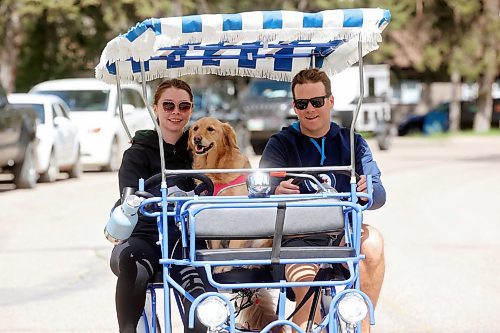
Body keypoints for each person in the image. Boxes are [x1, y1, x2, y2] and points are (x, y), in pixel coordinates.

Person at [260, 68, 386, 332]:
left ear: (330, 101)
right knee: (309, 306)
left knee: (373, 243)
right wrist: (275, 192)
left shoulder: (353, 143)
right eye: (302, 104)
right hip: (297, 238)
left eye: (317, 102)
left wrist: (367, 191)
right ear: (294, 106)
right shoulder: (281, 144)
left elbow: (379, 194)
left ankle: (361, 323)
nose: (310, 109)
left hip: (343, 233)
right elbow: (259, 192)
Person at [109, 78, 214, 333]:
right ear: (155, 108)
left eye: (183, 106)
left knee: (203, 289)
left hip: (187, 240)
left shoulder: (199, 148)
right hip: (145, 236)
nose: (176, 112)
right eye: (168, 105)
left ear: (191, 110)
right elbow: (129, 196)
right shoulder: (138, 151)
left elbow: (222, 181)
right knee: (133, 262)